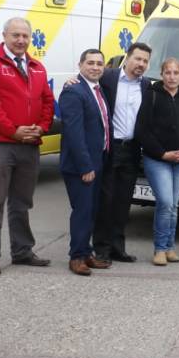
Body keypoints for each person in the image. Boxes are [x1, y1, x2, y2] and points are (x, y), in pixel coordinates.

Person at [0, 17, 54, 276]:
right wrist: (13, 130)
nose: (21, 40)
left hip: (29, 144)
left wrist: (41, 127)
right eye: (15, 35)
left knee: (22, 202)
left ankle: (22, 251)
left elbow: (47, 101)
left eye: (25, 36)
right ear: (5, 36)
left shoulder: (37, 67)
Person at [93, 42, 153, 263]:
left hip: (132, 149)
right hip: (110, 147)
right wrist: (72, 81)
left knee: (123, 201)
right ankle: (101, 248)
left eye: (145, 61)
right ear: (127, 58)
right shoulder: (107, 78)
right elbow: (86, 83)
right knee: (105, 200)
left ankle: (118, 247)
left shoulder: (146, 85)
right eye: (137, 58)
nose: (141, 64)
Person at [138, 58, 179, 266]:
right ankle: (160, 249)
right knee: (165, 203)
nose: (172, 77)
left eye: (176, 73)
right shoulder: (152, 95)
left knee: (174, 204)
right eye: (168, 72)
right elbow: (142, 131)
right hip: (158, 159)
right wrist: (163, 154)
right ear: (162, 74)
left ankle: (170, 247)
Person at [58, 49, 113, 276]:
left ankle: (86, 252)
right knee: (82, 211)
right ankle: (77, 257)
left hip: (98, 160)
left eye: (99, 63)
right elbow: (74, 133)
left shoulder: (97, 90)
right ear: (80, 65)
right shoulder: (74, 91)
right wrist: (85, 167)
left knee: (91, 211)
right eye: (90, 63)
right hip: (82, 165)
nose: (95, 67)